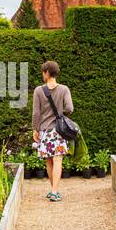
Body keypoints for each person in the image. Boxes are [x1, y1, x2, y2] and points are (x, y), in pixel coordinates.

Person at [32, 60, 74, 202]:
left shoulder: (38, 90)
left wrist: (35, 129)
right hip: (58, 131)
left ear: (47, 72)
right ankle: (55, 191)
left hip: (44, 130)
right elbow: (70, 109)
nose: (42, 75)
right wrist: (60, 115)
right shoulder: (64, 89)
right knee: (58, 160)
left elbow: (36, 113)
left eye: (43, 72)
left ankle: (53, 190)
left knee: (49, 161)